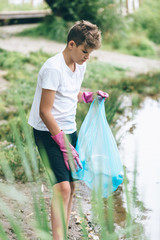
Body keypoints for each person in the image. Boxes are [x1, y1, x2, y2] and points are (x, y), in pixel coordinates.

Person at [28, 20, 109, 240]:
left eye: (90, 53)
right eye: (85, 51)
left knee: (71, 186)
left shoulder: (80, 64)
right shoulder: (53, 68)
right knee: (62, 188)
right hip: (47, 131)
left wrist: (87, 96)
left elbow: (69, 92)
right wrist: (64, 145)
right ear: (71, 44)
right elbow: (45, 111)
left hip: (69, 128)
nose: (87, 57)